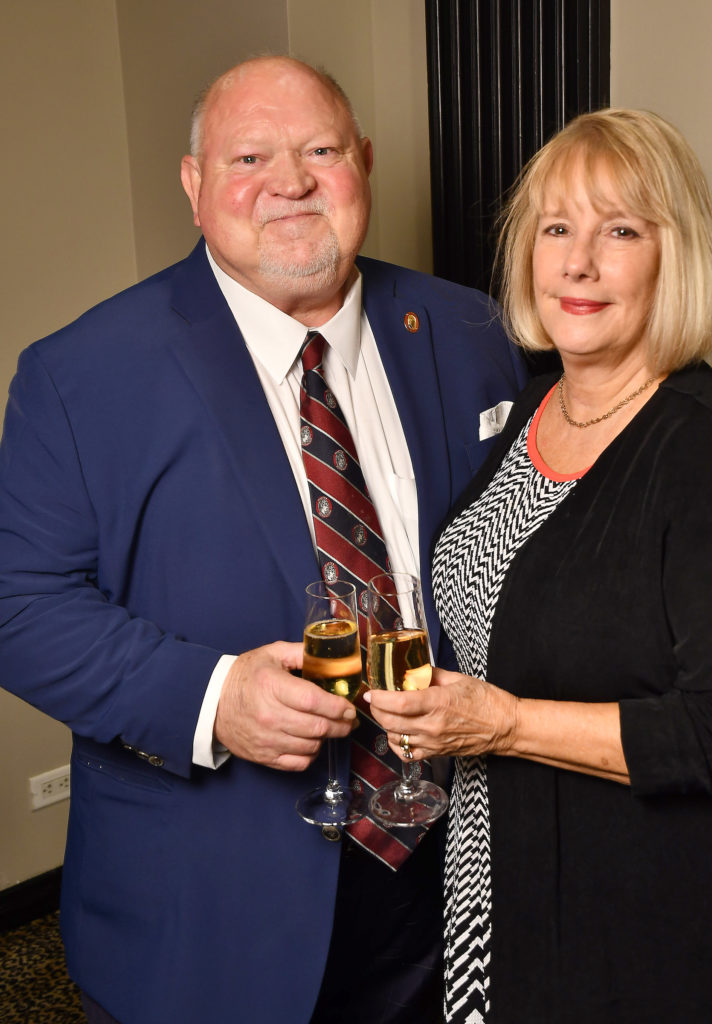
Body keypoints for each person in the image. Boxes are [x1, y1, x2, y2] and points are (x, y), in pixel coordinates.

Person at [0, 56, 527, 1024]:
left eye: (320, 149)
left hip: (449, 870)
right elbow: (18, 604)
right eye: (250, 155)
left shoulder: (469, 329)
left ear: (362, 163)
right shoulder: (82, 374)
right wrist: (212, 696)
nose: (290, 181)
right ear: (195, 185)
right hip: (210, 900)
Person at [366, 108, 712, 1023]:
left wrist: (504, 723)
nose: (578, 262)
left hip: (644, 935)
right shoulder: (533, 412)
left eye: (620, 231)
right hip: (496, 885)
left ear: (677, 259)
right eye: (557, 228)